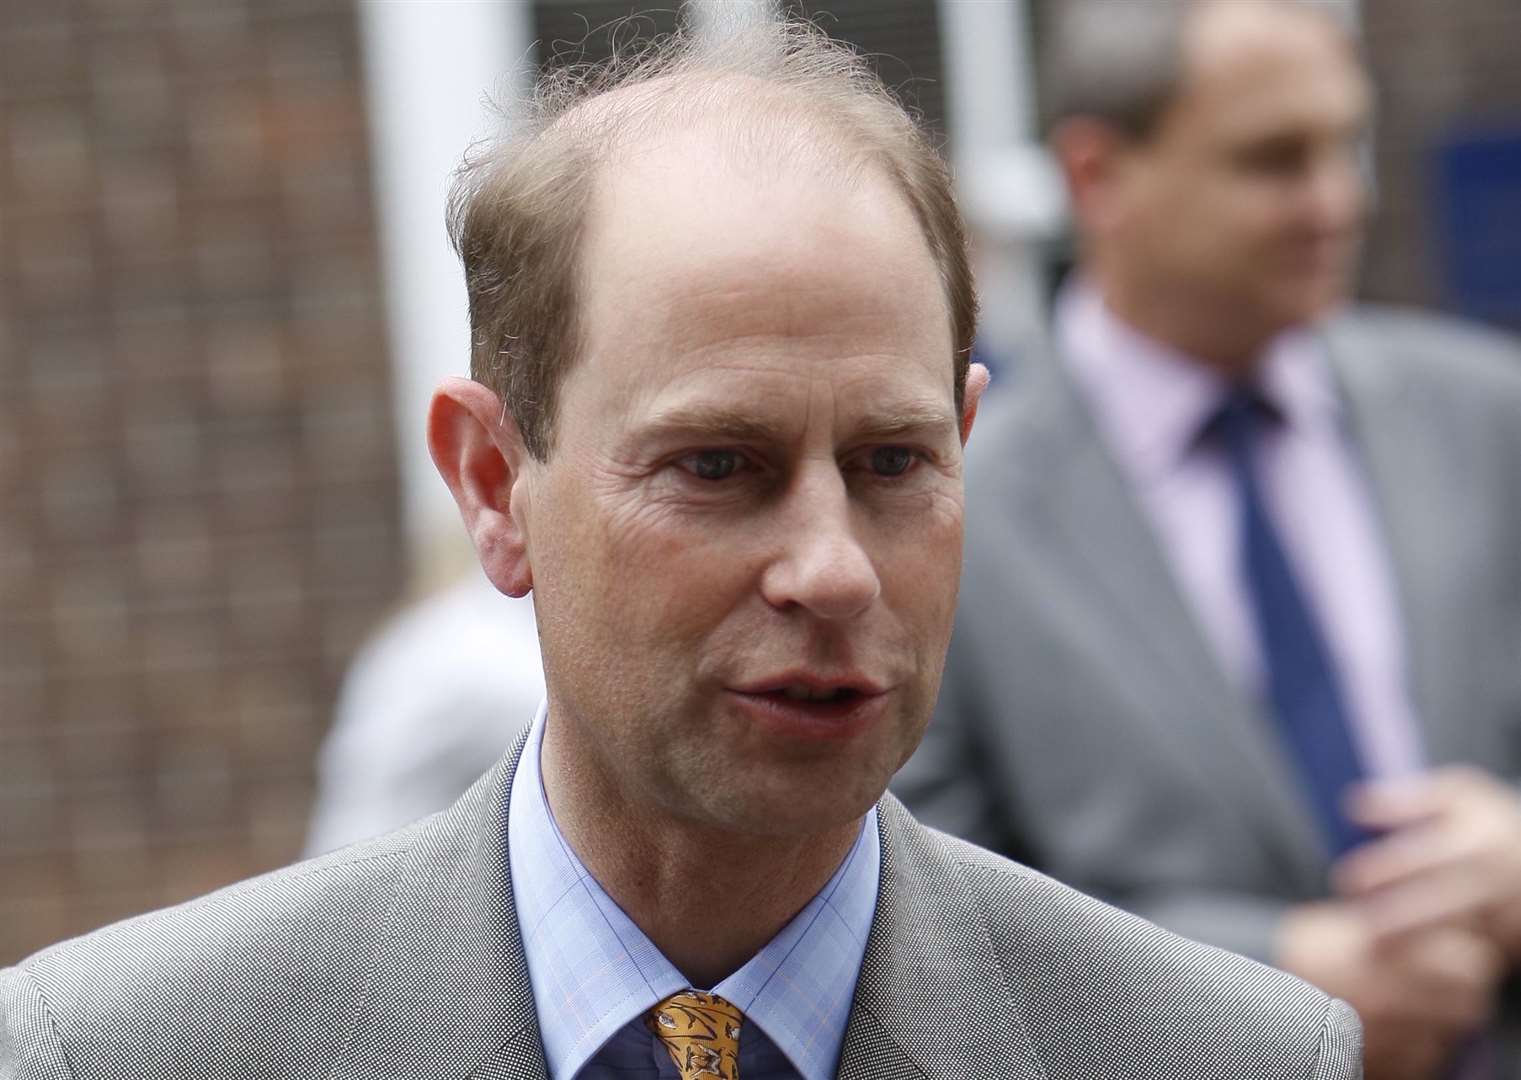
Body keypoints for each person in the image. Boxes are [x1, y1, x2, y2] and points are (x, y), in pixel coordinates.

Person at [0, 22, 1362, 1080]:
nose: (831, 569)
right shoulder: (125, 1050)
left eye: (893, 464)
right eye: (719, 467)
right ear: (492, 483)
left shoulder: (1226, 1054)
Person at [894, 1, 1521, 1077]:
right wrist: (1265, 971)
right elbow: (921, 897)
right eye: (1275, 159)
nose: (1338, 200)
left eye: (1346, 146)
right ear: (1098, 178)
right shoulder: (955, 507)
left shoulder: (1488, 418)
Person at [304, 570, 544, 855]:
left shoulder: (458, 624)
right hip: (383, 874)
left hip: (378, 859)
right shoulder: (468, 646)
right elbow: (564, 715)